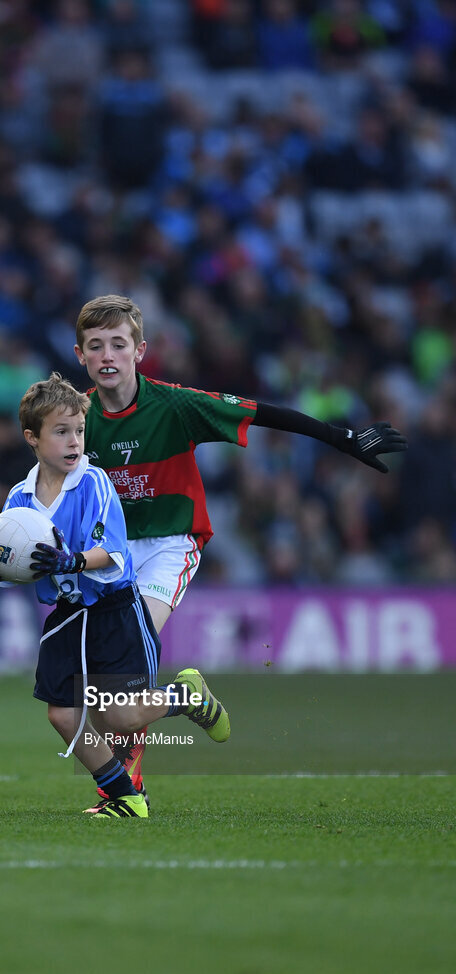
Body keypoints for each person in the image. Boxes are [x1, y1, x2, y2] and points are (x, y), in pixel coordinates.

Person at [73, 293, 408, 793]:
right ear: (80, 355)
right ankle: (187, 700)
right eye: (95, 346)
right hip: (111, 551)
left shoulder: (176, 405)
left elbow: (263, 412)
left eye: (118, 345)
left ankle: (125, 792)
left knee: (124, 661)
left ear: (140, 350)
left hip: (169, 544)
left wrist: (342, 438)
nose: (107, 356)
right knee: (103, 700)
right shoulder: (76, 418)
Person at [0, 372, 230, 819]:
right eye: (61, 432)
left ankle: (187, 696)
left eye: (79, 430)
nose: (75, 441)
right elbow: (15, 561)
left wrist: (72, 561)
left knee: (118, 717)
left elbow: (112, 551)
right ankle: (125, 797)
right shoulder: (19, 497)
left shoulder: (94, 483)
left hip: (115, 610)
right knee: (62, 716)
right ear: (32, 438)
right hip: (68, 614)